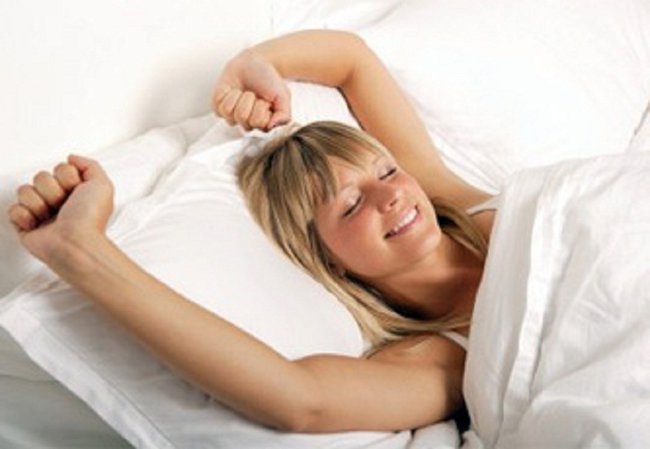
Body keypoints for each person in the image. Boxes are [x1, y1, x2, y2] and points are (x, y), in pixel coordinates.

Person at [6, 30, 496, 432]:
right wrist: (83, 251)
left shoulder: (467, 204)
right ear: (327, 258)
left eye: (387, 171)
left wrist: (253, 64)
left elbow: (351, 60)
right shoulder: (444, 358)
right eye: (350, 205)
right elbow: (300, 400)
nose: (389, 197)